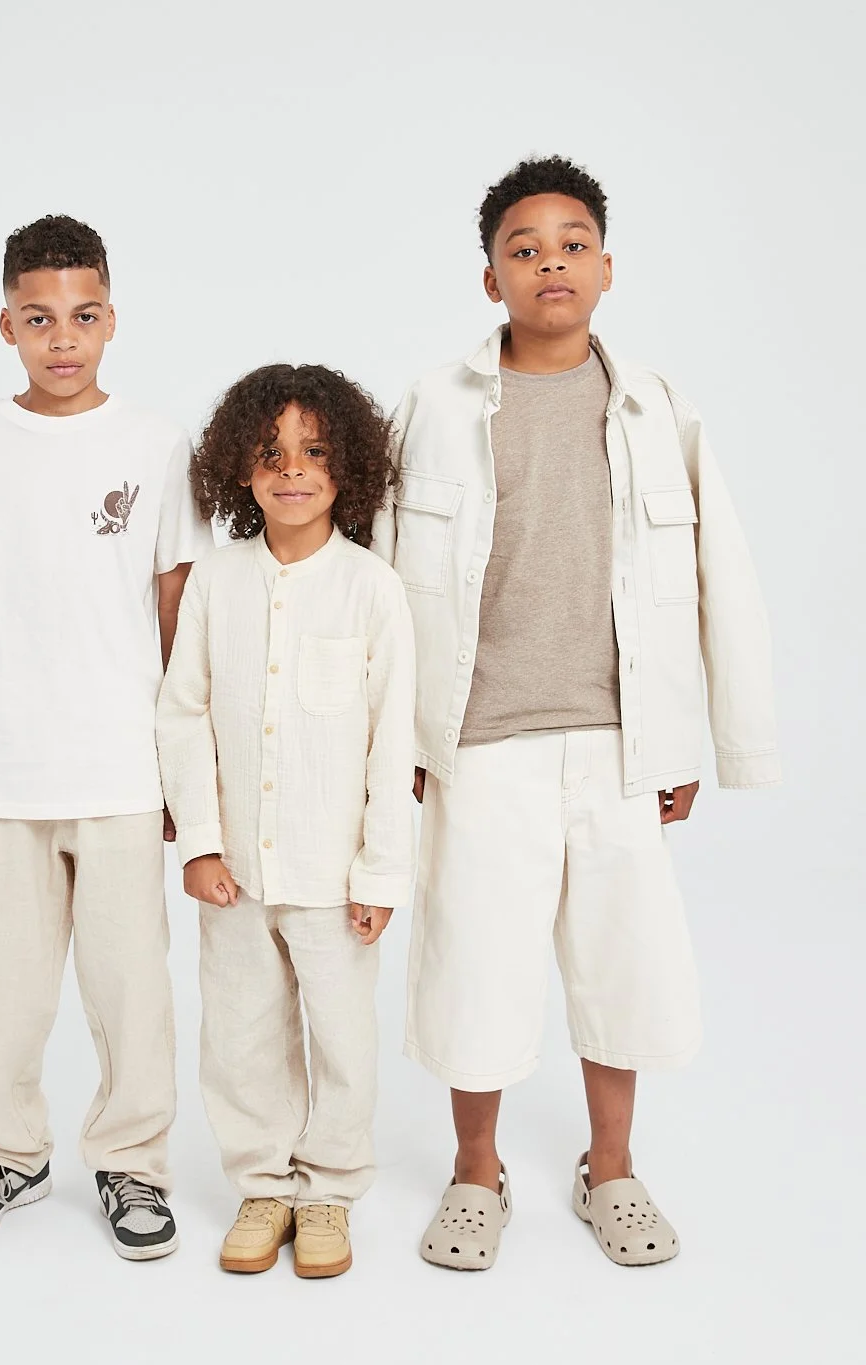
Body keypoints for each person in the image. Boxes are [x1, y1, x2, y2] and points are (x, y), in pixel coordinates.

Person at [373, 156, 780, 1269]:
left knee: (624, 961)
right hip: (479, 737)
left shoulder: (656, 406)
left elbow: (721, 579)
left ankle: (613, 1167)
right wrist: (392, 736)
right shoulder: (437, 405)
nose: (549, 259)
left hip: (619, 740)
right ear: (490, 277)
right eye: (523, 246)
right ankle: (475, 1172)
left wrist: (704, 740)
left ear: (606, 267)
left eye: (571, 242)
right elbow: (381, 574)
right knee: (475, 965)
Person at [0, 214, 214, 1258]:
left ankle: (133, 1166)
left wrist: (189, 757)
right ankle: (8, 1151)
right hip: (2, 759)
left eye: (83, 317)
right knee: (2, 976)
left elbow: (178, 601)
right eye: (39, 319)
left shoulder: (152, 442)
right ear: (6, 325)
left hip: (123, 758)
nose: (62, 338)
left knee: (131, 979)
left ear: (111, 320)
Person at [156, 364, 415, 1278]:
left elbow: (394, 744)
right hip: (233, 875)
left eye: (314, 453)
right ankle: (263, 1185)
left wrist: (382, 874)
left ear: (350, 468)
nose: (293, 471)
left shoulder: (373, 590)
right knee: (241, 1034)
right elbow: (181, 712)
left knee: (345, 1038)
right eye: (271, 455)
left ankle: (331, 1191)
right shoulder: (216, 585)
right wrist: (198, 842)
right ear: (239, 468)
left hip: (334, 875)